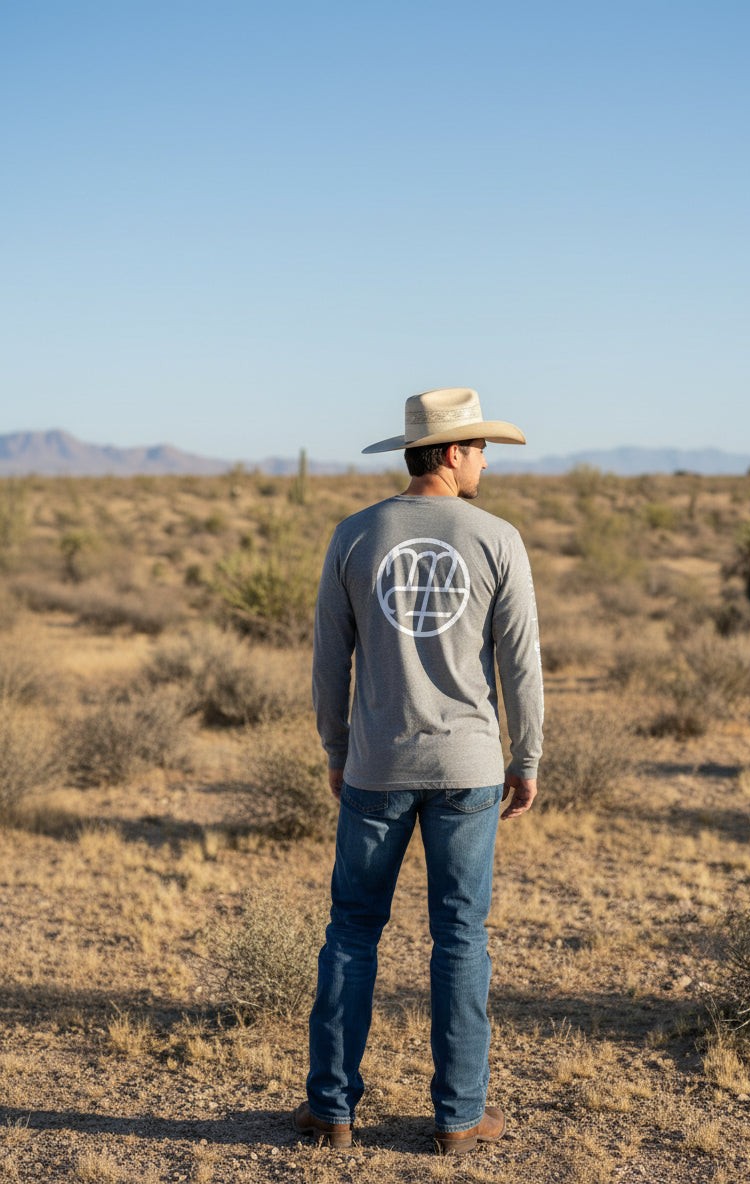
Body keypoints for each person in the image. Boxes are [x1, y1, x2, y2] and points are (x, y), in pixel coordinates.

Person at [292, 387, 543, 1155]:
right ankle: (459, 1118)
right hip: (468, 766)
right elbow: (521, 665)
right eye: (478, 447)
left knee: (352, 934)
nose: (485, 460)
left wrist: (338, 750)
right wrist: (525, 756)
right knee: (461, 939)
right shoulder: (497, 537)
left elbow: (329, 664)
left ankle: (332, 1111)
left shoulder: (355, 535)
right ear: (450, 454)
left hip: (377, 765)